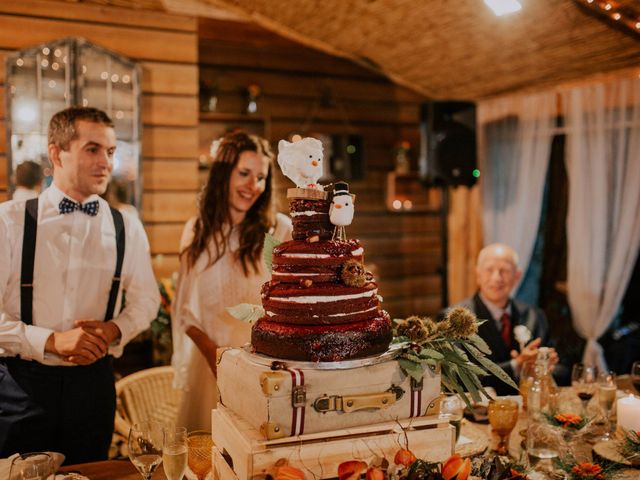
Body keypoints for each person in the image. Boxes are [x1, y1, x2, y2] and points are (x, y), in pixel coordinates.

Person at [0, 107, 159, 463]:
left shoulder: (126, 226)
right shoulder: (9, 222)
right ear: (57, 152)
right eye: (93, 149)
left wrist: (115, 329)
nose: (106, 162)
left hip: (93, 388)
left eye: (111, 151)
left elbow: (147, 300)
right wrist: (51, 340)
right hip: (21, 388)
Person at [172, 131, 292, 431]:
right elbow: (183, 311)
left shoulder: (279, 228)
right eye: (244, 174)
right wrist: (217, 359)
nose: (253, 186)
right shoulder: (197, 230)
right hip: (211, 366)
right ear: (223, 175)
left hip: (267, 367)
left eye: (261, 177)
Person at [454, 243, 566, 395]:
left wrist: (543, 368)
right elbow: (459, 377)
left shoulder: (534, 315)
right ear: (478, 275)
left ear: (517, 277)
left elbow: (563, 369)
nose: (496, 277)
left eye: (504, 271)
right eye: (489, 270)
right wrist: (517, 365)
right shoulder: (456, 320)